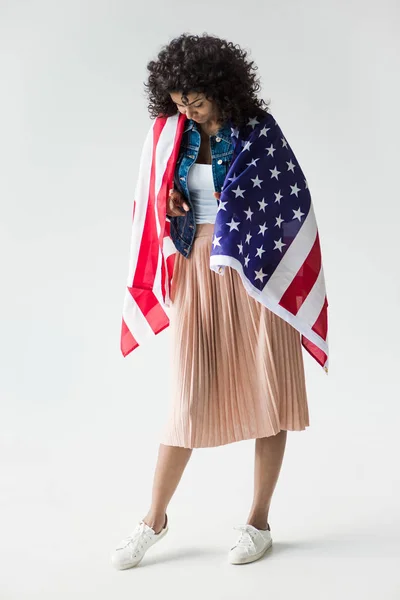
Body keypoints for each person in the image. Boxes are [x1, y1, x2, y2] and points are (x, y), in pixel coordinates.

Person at [112, 33, 312, 569]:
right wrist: (173, 202)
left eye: (196, 100)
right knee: (187, 397)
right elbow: (156, 201)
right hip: (196, 272)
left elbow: (290, 204)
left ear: (222, 88)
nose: (187, 110)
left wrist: (233, 214)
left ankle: (259, 521)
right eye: (178, 101)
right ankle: (153, 519)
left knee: (271, 390)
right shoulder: (170, 133)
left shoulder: (257, 133)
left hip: (252, 275)